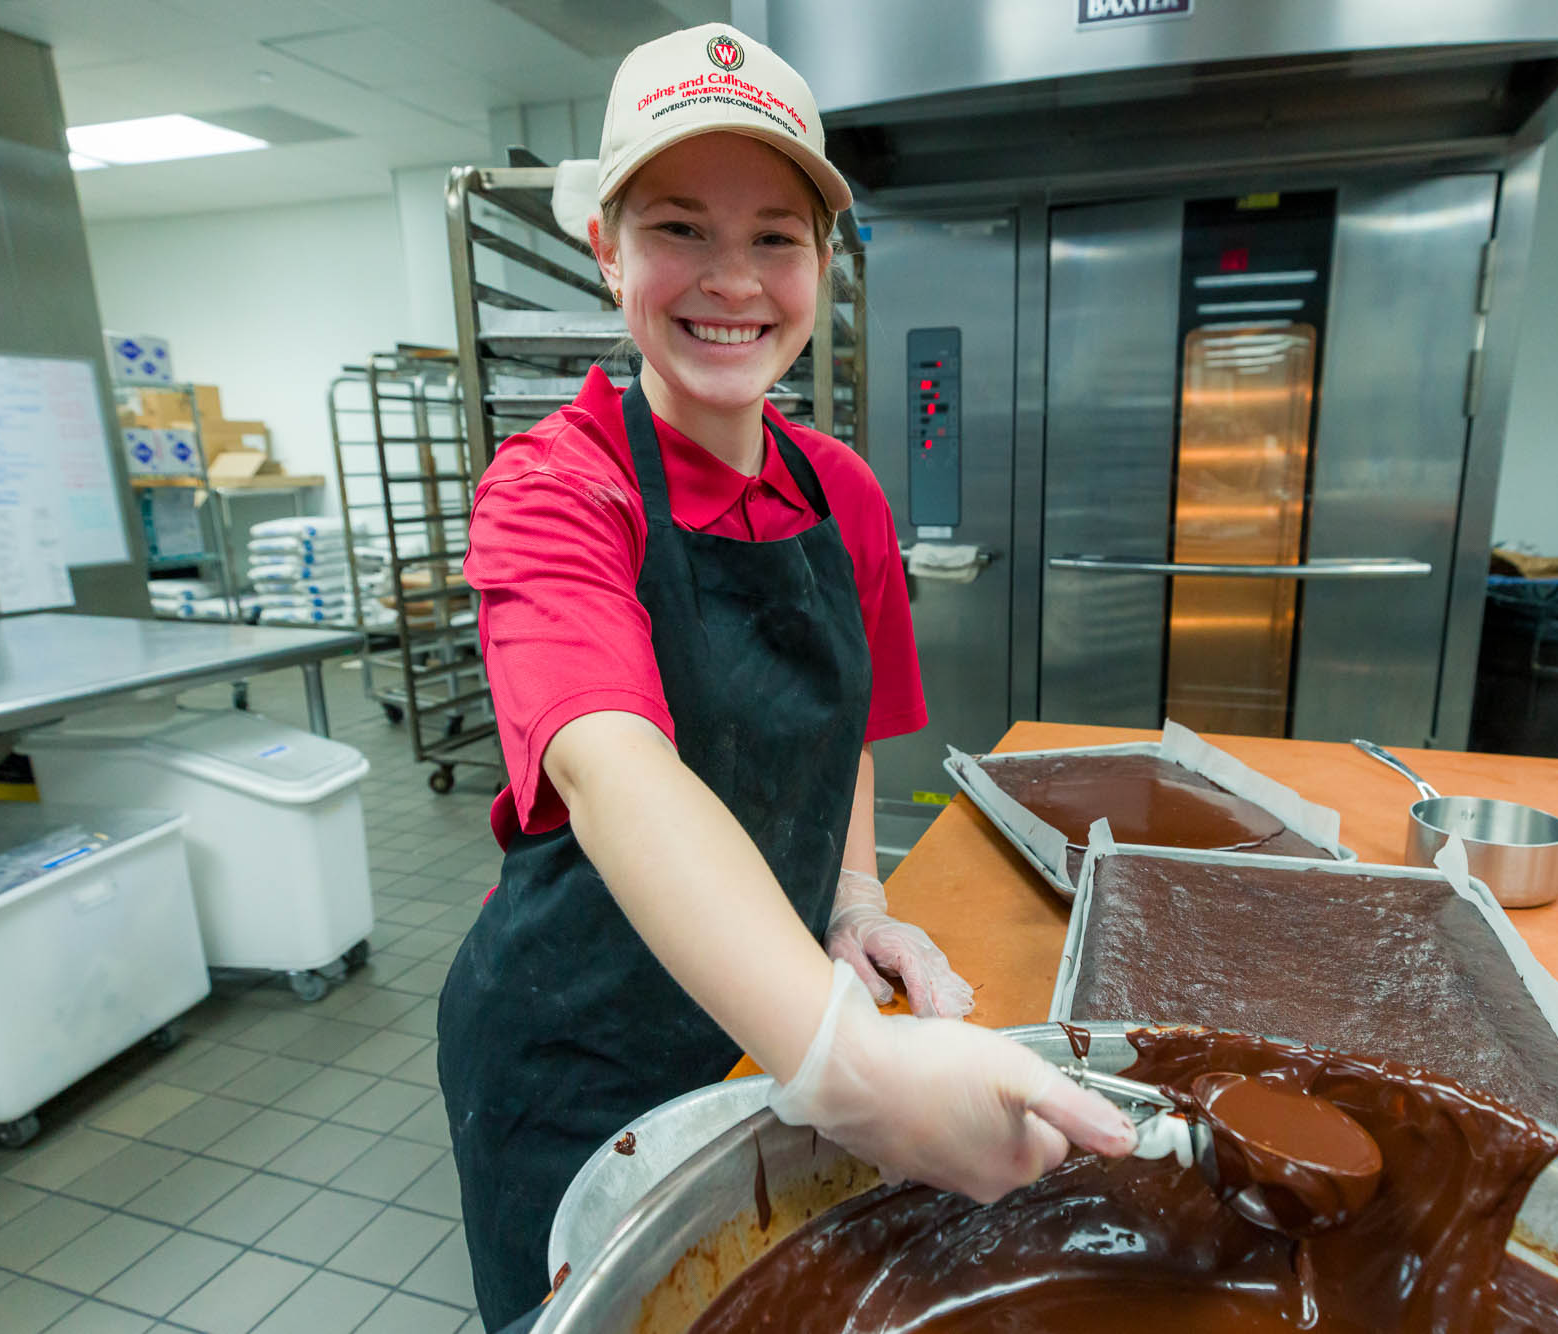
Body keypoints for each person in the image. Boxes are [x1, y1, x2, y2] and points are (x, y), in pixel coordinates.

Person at [436, 24, 1137, 1328]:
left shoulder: (844, 496)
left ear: (824, 260)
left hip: (769, 1022)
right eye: (680, 228)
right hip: (575, 1056)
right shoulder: (558, 490)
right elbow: (609, 765)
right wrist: (853, 1062)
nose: (732, 279)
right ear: (608, 248)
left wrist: (852, 897)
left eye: (775, 236)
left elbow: (846, 732)